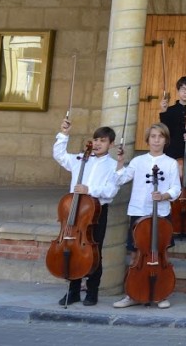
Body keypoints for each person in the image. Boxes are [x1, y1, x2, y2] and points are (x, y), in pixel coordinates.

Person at [112, 123, 181, 309]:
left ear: (165, 140)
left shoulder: (171, 163)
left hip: (161, 214)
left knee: (161, 254)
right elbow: (120, 179)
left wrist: (164, 195)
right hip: (139, 212)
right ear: (148, 140)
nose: (156, 140)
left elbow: (176, 188)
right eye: (153, 136)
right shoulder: (138, 161)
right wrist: (120, 162)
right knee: (136, 256)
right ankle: (132, 294)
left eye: (160, 136)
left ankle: (160, 294)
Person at [52, 118, 120, 306]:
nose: (98, 143)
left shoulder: (113, 166)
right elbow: (59, 155)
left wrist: (89, 190)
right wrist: (64, 134)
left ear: (111, 144)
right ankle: (73, 291)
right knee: (73, 249)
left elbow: (111, 191)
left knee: (94, 251)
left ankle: (92, 291)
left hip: (95, 213)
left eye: (103, 140)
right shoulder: (80, 159)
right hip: (75, 211)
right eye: (96, 139)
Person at [158, 77, 186, 163]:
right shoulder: (170, 110)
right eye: (183, 89)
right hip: (171, 153)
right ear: (178, 90)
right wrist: (164, 112)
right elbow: (164, 131)